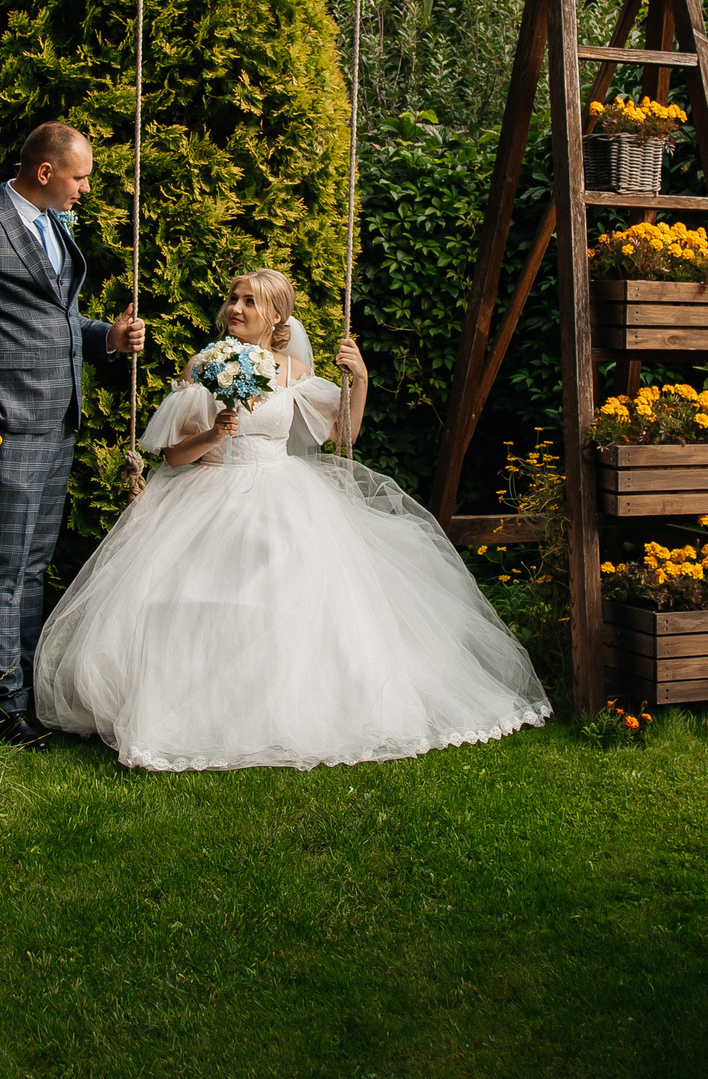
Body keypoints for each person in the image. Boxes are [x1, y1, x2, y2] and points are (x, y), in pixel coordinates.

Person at [35, 268, 551, 771]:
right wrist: (213, 434)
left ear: (277, 316)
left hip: (282, 493)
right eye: (233, 298)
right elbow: (174, 456)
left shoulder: (294, 373)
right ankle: (203, 707)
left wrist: (360, 378)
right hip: (205, 494)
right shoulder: (204, 365)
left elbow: (343, 436)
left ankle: (292, 707)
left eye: (250, 301)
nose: (235, 308)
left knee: (293, 592)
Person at [0, 121, 144, 749]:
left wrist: (107, 337)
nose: (85, 188)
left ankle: (26, 693)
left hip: (58, 422)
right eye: (79, 177)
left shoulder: (55, 226)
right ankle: (0, 708)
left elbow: (56, 319)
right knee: (2, 567)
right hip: (7, 423)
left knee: (31, 568)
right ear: (45, 172)